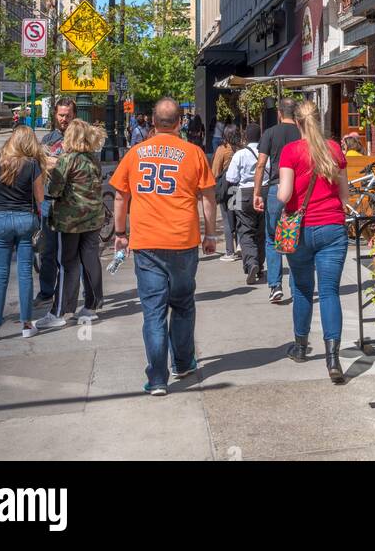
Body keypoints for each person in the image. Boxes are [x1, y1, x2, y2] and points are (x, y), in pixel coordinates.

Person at [110, 96, 217, 394]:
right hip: (183, 240)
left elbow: (120, 196)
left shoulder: (135, 153)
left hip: (147, 241)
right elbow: (208, 196)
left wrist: (121, 232)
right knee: (182, 304)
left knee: (153, 311)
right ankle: (182, 363)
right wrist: (210, 234)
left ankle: (157, 378)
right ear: (180, 123)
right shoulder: (194, 153)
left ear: (153, 123)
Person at [277, 101, 350, 384]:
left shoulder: (291, 152)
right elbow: (344, 196)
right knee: (330, 292)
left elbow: (284, 194)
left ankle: (300, 347)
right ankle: (333, 359)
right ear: (319, 120)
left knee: (303, 289)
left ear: (296, 123)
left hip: (302, 229)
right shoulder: (334, 149)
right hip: (332, 227)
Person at [35, 120, 106, 331]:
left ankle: (60, 311)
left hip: (70, 220)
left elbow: (55, 190)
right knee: (91, 260)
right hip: (93, 218)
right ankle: (91, 305)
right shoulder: (93, 159)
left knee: (67, 264)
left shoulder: (67, 160)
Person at [0, 126, 48, 342]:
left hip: (0, 220)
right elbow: (40, 199)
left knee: (0, 275)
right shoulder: (32, 164)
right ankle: (27, 324)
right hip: (25, 220)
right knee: (25, 273)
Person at [253, 100, 301, 304]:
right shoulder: (301, 133)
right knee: (296, 236)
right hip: (298, 188)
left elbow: (261, 163)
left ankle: (275, 286)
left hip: (275, 187)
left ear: (280, 113)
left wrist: (257, 192)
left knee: (272, 238)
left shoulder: (270, 133)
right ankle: (296, 286)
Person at [37, 96, 76, 307]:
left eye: (68, 115)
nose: (64, 119)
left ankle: (67, 294)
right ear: (55, 115)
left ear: (74, 116)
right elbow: (41, 167)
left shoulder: (79, 138)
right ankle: (46, 291)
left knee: (69, 252)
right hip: (49, 201)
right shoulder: (48, 140)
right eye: (61, 115)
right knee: (47, 249)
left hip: (71, 202)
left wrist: (55, 162)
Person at [227, 123, 264, 285]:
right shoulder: (265, 153)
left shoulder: (240, 154)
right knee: (261, 232)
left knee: (245, 230)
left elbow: (231, 178)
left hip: (244, 194)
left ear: (246, 137)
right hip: (263, 192)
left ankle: (251, 263)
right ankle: (260, 264)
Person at [211, 125, 240, 261]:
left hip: (225, 187)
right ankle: (240, 246)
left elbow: (215, 171)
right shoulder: (241, 149)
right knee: (238, 218)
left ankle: (230, 252)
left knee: (227, 220)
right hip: (238, 186)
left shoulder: (222, 149)